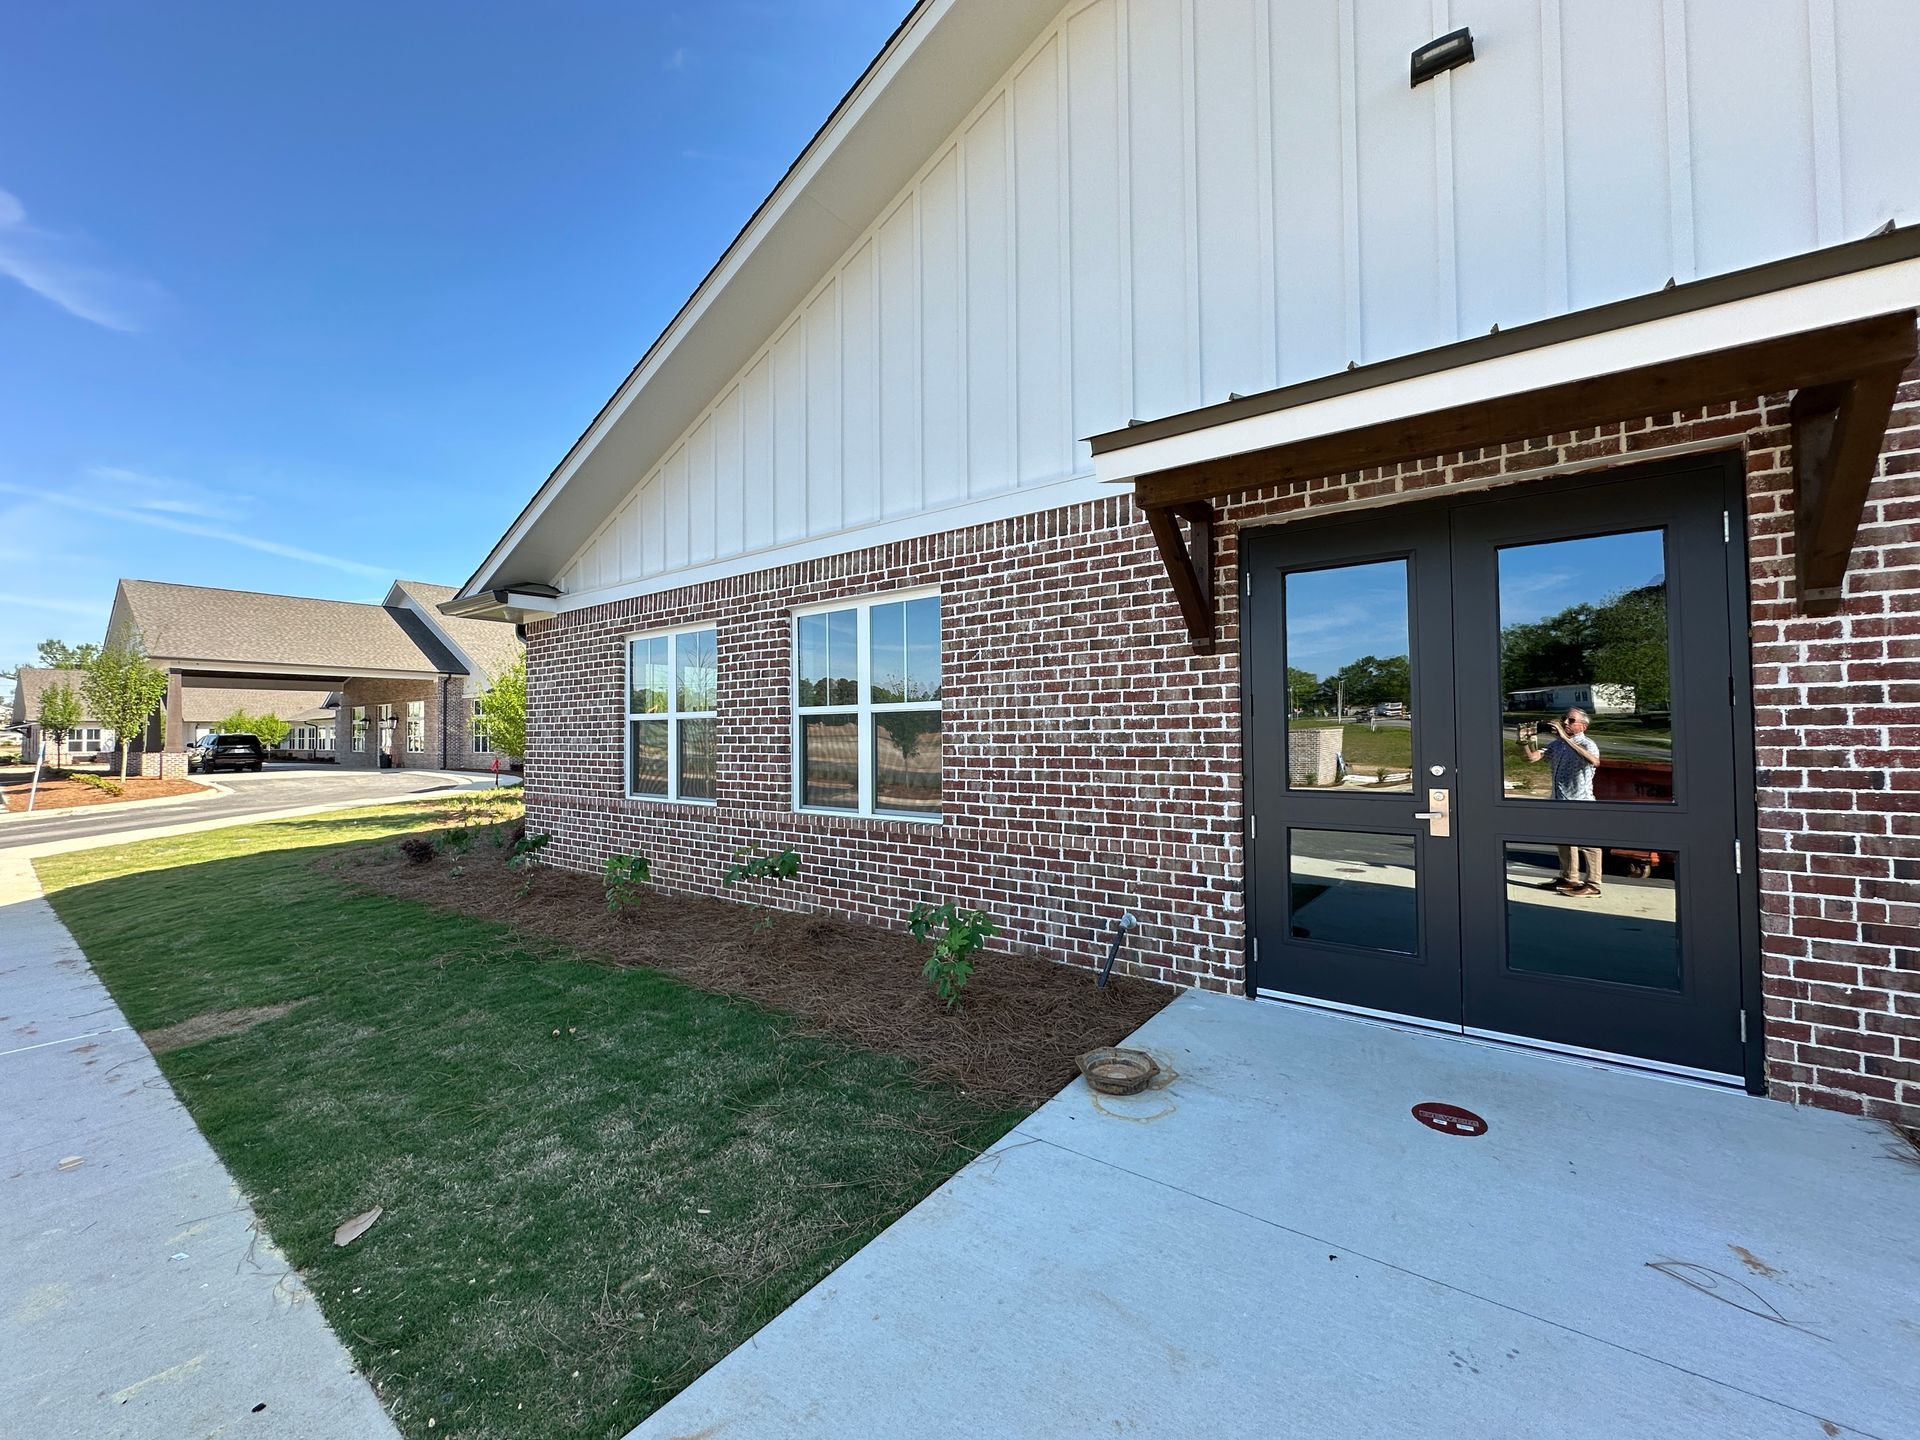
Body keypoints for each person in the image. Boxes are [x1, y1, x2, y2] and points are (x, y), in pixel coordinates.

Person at [1521, 707, 1603, 897]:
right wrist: (1524, 741)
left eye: (1571, 720)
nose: (1565, 723)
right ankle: (1569, 878)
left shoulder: (1587, 743)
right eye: (1564, 719)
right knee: (1564, 840)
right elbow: (1532, 758)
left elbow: (1594, 761)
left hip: (1580, 800)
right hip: (1559, 799)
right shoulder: (1556, 745)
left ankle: (1593, 884)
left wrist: (1566, 739)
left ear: (1583, 726)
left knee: (1589, 842)